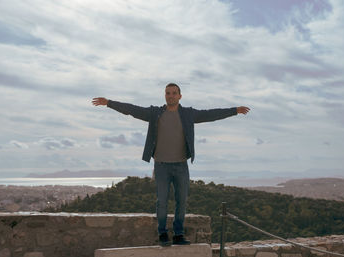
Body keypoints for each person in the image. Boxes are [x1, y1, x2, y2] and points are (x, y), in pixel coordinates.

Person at [92, 83, 250, 246]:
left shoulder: (188, 114)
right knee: (162, 201)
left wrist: (234, 110)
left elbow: (211, 114)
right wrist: (109, 103)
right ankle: (162, 234)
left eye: (174, 93)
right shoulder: (155, 113)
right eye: (168, 93)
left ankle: (178, 234)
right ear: (165, 95)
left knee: (182, 201)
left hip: (181, 165)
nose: (171, 96)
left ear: (180, 96)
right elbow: (132, 110)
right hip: (161, 166)